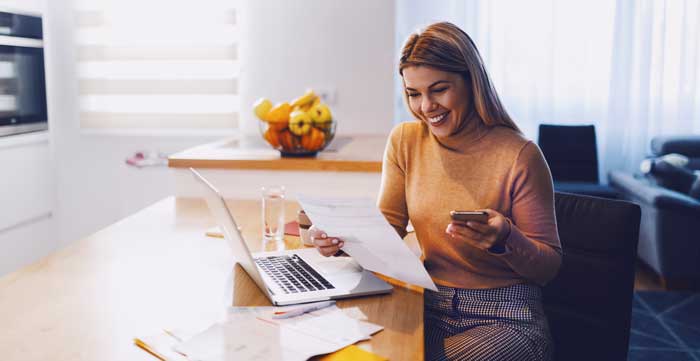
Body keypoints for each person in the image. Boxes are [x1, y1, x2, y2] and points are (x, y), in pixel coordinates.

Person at [310, 21, 561, 361]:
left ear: (471, 82)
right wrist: (340, 241)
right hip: (426, 303)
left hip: (506, 317)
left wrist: (505, 239)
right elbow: (386, 231)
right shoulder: (405, 141)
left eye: (439, 89)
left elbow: (548, 267)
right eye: (414, 94)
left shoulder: (520, 155)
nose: (426, 106)